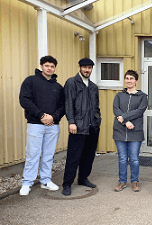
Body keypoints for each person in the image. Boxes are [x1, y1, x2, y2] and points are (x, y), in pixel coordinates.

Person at [19, 55, 65, 195]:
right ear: (41, 66)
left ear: (54, 68)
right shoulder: (30, 81)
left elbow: (63, 106)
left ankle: (46, 180)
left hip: (53, 125)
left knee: (49, 155)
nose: (49, 68)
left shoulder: (58, 87)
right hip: (35, 124)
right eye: (47, 65)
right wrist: (41, 115)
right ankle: (27, 183)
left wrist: (54, 117)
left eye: (52, 66)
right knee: (33, 154)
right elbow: (24, 100)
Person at [62, 58, 101, 196]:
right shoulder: (72, 82)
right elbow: (68, 104)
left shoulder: (93, 86)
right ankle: (67, 184)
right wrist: (71, 122)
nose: (87, 70)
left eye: (89, 68)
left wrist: (97, 121)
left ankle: (83, 178)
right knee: (74, 156)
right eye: (84, 67)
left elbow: (96, 107)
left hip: (92, 127)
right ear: (79, 67)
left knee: (88, 156)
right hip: (77, 127)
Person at [113, 70, 148, 192]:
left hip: (135, 132)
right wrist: (125, 122)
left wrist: (125, 117)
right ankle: (122, 181)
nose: (129, 80)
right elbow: (116, 109)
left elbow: (140, 111)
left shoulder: (142, 96)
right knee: (122, 158)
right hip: (120, 131)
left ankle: (134, 181)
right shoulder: (119, 95)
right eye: (127, 78)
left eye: (131, 78)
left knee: (134, 158)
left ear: (136, 81)